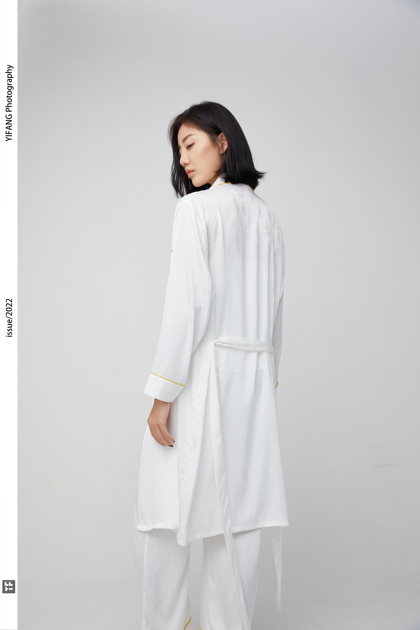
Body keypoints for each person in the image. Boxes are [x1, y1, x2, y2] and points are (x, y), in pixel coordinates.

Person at [133, 101, 289, 630]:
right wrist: (265, 387)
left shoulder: (196, 210)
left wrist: (162, 394)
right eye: (178, 150)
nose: (183, 159)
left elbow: (188, 305)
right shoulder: (268, 220)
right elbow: (274, 316)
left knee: (162, 508)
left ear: (223, 141)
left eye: (190, 144)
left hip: (200, 379)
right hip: (252, 387)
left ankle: (166, 621)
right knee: (241, 514)